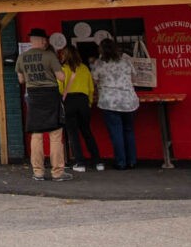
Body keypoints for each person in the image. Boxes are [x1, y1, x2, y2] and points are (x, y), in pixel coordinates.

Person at [16, 28, 71, 181]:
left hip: (33, 97)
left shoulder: (22, 57)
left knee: (36, 135)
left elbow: (21, 80)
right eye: (45, 40)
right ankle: (57, 172)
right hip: (50, 96)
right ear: (42, 40)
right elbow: (61, 77)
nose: (46, 42)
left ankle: (38, 172)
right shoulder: (49, 56)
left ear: (31, 41)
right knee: (55, 135)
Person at [90, 38, 139, 170]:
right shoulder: (126, 61)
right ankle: (132, 161)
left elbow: (93, 81)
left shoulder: (99, 64)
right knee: (129, 131)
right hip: (129, 100)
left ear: (101, 50)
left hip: (109, 102)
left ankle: (121, 162)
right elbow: (134, 78)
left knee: (116, 132)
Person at [59, 46, 103, 172]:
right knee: (87, 131)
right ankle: (98, 162)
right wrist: (88, 103)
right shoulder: (84, 68)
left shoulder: (62, 69)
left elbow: (60, 89)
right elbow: (91, 88)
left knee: (73, 133)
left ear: (64, 56)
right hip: (83, 101)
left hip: (69, 102)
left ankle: (80, 163)